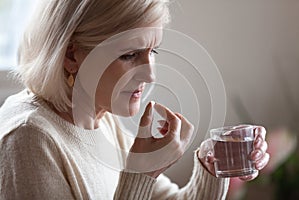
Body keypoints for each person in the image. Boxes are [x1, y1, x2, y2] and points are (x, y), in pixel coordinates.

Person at [0, 0, 270, 199]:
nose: (151, 75)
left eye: (153, 51)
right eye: (130, 55)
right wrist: (140, 173)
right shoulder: (27, 140)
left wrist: (213, 165)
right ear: (72, 56)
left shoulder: (100, 119)